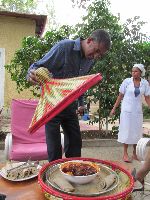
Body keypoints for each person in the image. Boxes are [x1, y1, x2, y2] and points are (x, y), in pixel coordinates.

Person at [27, 29, 111, 162]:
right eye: (96, 51)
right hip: (52, 107)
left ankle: (73, 175)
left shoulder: (89, 60)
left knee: (75, 147)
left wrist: (81, 102)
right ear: (89, 40)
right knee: (54, 152)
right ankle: (54, 179)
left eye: (99, 55)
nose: (95, 56)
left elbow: (79, 84)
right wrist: (31, 74)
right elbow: (36, 66)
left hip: (70, 107)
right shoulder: (64, 47)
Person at [110, 64, 150, 163]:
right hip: (126, 111)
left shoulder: (144, 83)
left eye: (136, 71)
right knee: (126, 131)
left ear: (140, 72)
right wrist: (114, 108)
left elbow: (147, 97)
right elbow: (120, 95)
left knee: (136, 131)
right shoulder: (127, 81)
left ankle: (135, 153)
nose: (133, 73)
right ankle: (125, 153)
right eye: (132, 71)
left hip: (137, 111)